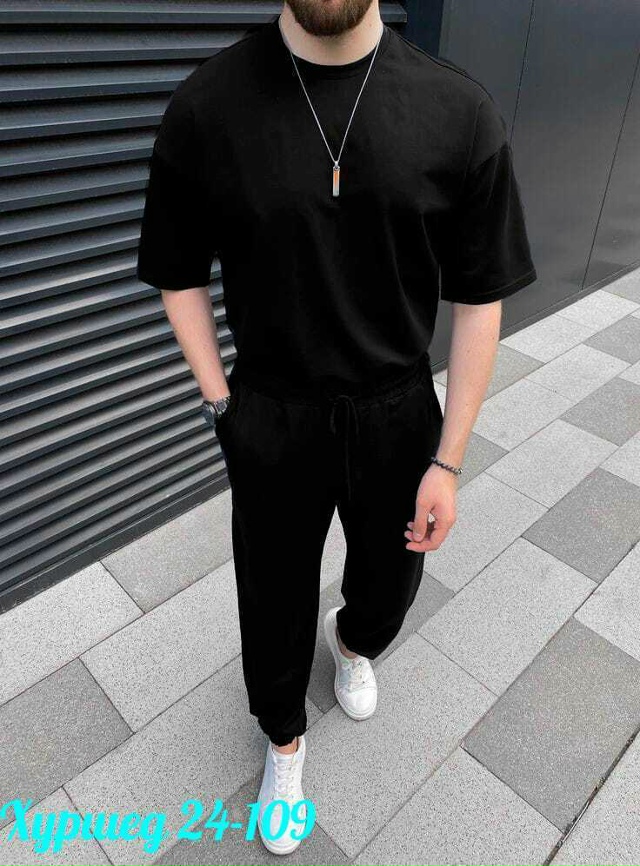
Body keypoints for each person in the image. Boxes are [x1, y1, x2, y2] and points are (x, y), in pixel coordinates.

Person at [136, 0, 537, 855]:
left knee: (392, 584)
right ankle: (283, 738)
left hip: (398, 409)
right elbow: (177, 271)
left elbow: (480, 296)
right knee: (272, 596)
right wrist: (222, 404)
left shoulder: (459, 112)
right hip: (273, 409)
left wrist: (449, 462)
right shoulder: (209, 106)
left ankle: (353, 640)